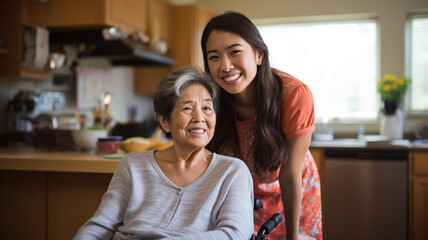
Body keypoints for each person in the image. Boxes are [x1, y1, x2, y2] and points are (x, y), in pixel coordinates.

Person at [73, 66, 254, 240]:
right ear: (164, 121)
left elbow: (234, 234)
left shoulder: (231, 172)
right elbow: (100, 226)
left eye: (207, 108)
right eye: (187, 108)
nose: (199, 118)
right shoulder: (133, 165)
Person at [201, 11, 322, 240]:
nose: (225, 66)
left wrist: (293, 236)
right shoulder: (210, 98)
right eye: (214, 57)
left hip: (291, 189)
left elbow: (289, 174)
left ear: (259, 55)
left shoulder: (294, 94)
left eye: (234, 52)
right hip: (240, 193)